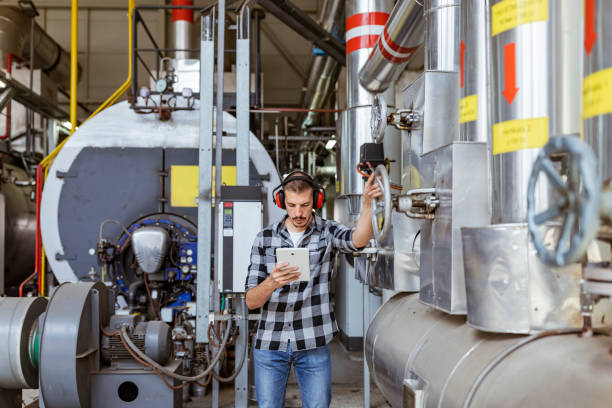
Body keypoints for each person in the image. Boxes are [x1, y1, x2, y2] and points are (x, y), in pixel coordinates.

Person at [244, 170, 381, 408]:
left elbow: (358, 240)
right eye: (292, 205)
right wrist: (271, 283)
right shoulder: (264, 238)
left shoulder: (327, 232)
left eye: (305, 205)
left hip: (313, 342)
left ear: (316, 201)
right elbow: (251, 301)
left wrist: (367, 204)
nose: (298, 213)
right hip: (270, 343)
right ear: (281, 201)